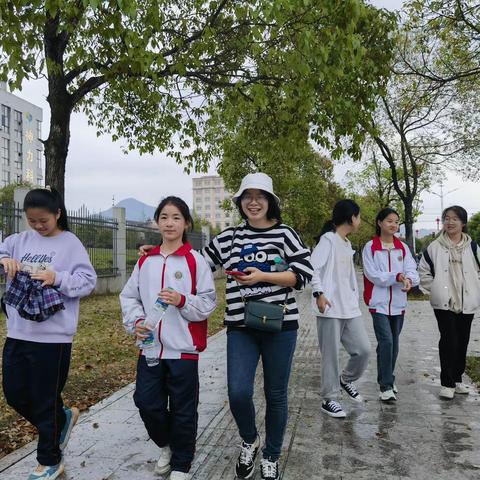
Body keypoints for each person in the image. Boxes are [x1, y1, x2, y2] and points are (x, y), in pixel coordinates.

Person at [140, 173, 312, 480]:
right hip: (240, 325)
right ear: (240, 202)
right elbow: (193, 263)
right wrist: (156, 254)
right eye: (248, 196)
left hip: (281, 325)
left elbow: (303, 274)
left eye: (261, 196)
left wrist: (263, 276)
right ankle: (250, 439)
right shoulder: (230, 237)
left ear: (270, 201)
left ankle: (271, 455)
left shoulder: (286, 234)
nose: (254, 202)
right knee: (237, 392)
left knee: (275, 394)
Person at [0, 187, 97, 480]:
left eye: (44, 220)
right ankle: (61, 418)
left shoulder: (70, 244)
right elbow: (2, 250)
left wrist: (58, 278)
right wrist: (4, 260)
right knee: (15, 394)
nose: (39, 226)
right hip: (18, 332)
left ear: (57, 214)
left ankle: (50, 460)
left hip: (53, 339)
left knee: (44, 399)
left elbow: (87, 281)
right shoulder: (18, 241)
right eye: (32, 221)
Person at [120, 196, 216, 480]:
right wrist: (136, 322)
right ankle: (168, 445)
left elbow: (208, 303)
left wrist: (182, 300)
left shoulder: (195, 261)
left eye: (176, 217)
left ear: (186, 223)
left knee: (184, 409)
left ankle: (182, 464)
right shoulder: (145, 261)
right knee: (146, 403)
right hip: (149, 350)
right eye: (164, 217)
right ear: (157, 222)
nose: (169, 222)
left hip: (183, 350)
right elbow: (129, 296)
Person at [311, 199, 370, 418]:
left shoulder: (345, 243)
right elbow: (312, 268)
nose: (360, 221)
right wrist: (319, 293)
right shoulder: (328, 240)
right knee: (331, 356)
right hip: (329, 308)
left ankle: (345, 379)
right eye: (359, 216)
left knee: (363, 350)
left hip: (350, 308)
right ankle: (329, 398)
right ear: (351, 217)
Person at [418, 205, 480, 400]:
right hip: (444, 303)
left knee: (462, 341)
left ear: (463, 223)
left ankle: (458, 378)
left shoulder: (473, 247)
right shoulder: (434, 247)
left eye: (454, 218)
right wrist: (436, 286)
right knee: (449, 340)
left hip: (467, 302)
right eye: (446, 218)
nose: (450, 222)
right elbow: (423, 272)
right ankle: (447, 382)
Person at [362, 208, 419, 402]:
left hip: (398, 303)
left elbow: (411, 268)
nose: (393, 225)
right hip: (377, 303)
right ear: (379, 223)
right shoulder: (371, 246)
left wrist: (409, 280)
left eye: (396, 222)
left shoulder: (402, 247)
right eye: (389, 221)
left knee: (393, 343)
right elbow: (372, 274)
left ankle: (388, 377)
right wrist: (395, 276)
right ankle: (385, 385)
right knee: (386, 341)